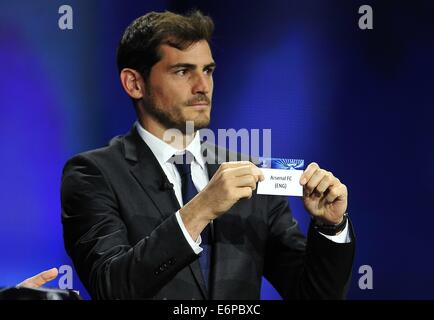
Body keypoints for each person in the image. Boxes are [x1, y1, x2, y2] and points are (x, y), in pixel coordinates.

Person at [61, 10, 355, 300]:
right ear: (134, 84)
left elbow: (313, 295)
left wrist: (331, 227)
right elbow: (111, 287)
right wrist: (201, 208)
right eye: (183, 71)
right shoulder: (93, 174)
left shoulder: (252, 173)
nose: (203, 87)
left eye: (208, 71)